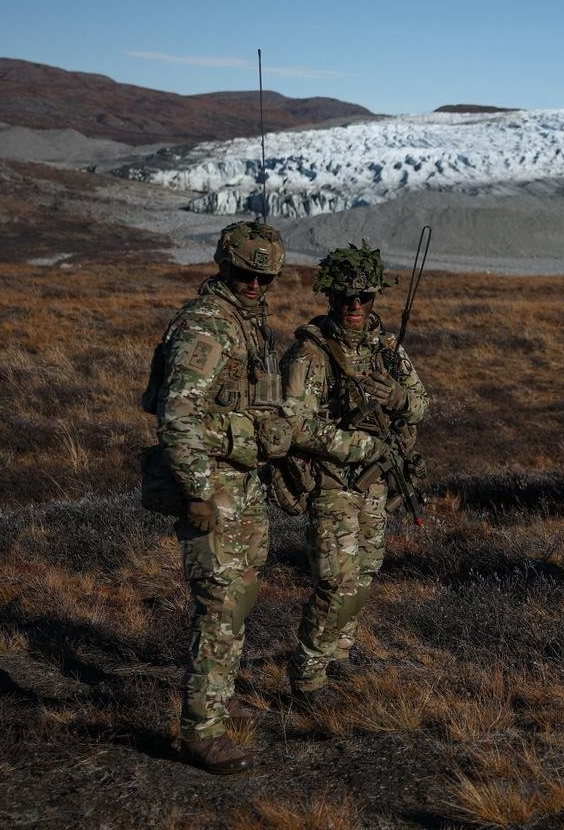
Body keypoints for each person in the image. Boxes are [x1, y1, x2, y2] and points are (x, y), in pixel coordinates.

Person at [146, 222, 370, 774]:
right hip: (215, 485)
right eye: (245, 274)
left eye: (263, 277)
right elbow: (178, 417)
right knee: (220, 605)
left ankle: (214, 706)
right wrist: (198, 491)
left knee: (241, 599)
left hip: (242, 484)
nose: (254, 284)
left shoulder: (247, 324)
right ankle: (201, 732)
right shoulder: (207, 327)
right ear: (224, 267)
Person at [279, 243, 429, 703]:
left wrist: (399, 401)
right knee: (336, 578)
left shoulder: (388, 349)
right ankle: (307, 674)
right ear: (331, 297)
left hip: (375, 483)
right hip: (331, 482)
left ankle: (338, 652)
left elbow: (422, 403)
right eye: (346, 298)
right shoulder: (310, 354)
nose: (355, 307)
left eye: (364, 297)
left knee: (366, 569)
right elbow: (295, 425)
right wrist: (359, 445)